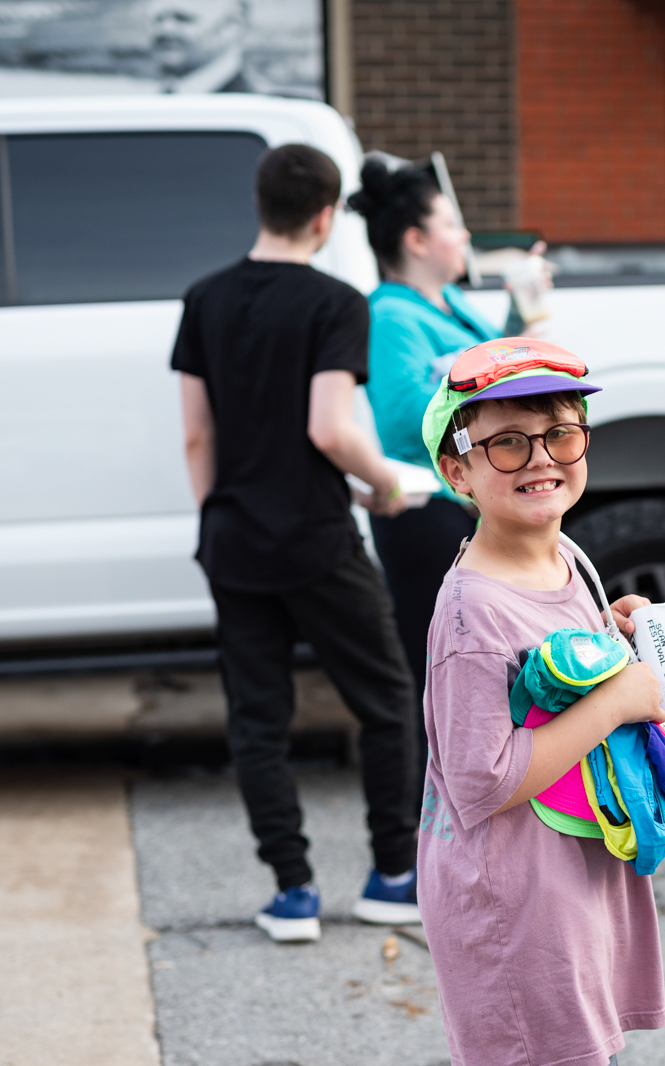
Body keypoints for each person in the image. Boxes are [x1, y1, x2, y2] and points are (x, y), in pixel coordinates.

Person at [241, 338, 665, 1066]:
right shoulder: (474, 612)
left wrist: (613, 634)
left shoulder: (564, 560)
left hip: (564, 874)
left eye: (561, 432)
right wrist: (616, 701)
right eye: (507, 442)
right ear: (456, 470)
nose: (541, 457)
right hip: (513, 890)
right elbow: (483, 779)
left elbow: (557, 681)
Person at [172, 143, 424, 943]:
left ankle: (292, 892)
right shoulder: (336, 304)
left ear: (260, 203)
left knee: (258, 719)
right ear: (324, 217)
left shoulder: (204, 299)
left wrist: (219, 517)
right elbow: (328, 430)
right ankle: (393, 876)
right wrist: (385, 484)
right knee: (386, 701)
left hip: (235, 540)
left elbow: (196, 435)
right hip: (318, 540)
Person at [346, 157, 509, 754]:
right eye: (450, 224)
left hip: (463, 510)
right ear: (416, 240)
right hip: (427, 516)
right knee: (441, 682)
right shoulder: (389, 315)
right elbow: (402, 416)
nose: (464, 235)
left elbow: (497, 368)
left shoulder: (447, 302)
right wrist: (483, 396)